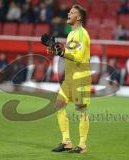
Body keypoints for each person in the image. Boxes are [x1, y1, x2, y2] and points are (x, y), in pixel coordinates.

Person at [41, 4, 91, 153]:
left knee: (81, 110)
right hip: (69, 78)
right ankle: (66, 141)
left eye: (72, 12)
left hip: (81, 77)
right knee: (58, 105)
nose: (68, 13)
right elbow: (67, 54)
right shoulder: (71, 34)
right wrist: (53, 49)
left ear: (79, 17)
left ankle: (82, 145)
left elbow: (79, 57)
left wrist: (62, 53)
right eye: (69, 11)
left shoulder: (82, 34)